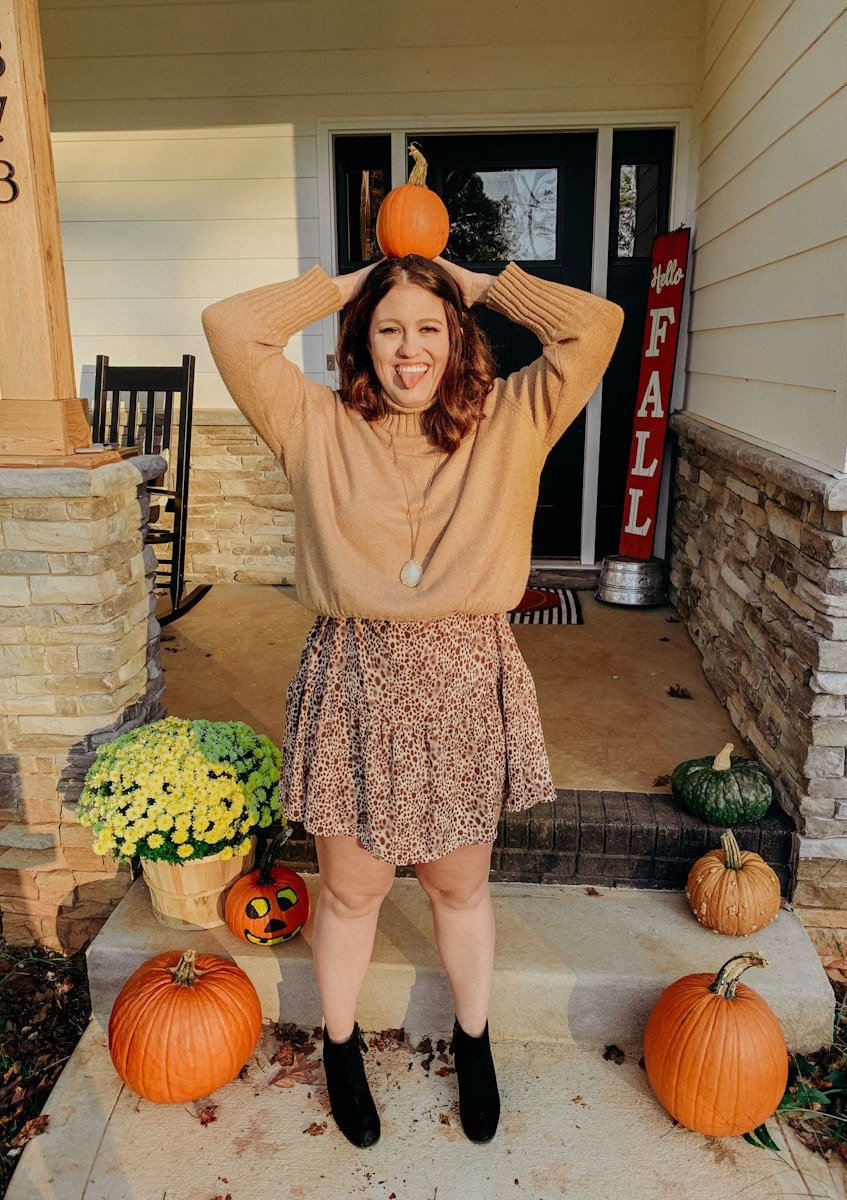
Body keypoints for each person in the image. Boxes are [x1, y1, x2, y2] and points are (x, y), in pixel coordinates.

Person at [202, 252, 623, 1149]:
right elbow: (231, 327)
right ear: (362, 340)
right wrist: (353, 282)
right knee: (352, 893)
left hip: (466, 678)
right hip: (355, 677)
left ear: (458, 337)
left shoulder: (515, 415)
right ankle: (344, 1047)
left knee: (457, 887)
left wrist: (473, 282)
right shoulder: (311, 421)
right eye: (389, 329)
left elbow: (597, 326)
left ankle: (475, 1042)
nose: (409, 350)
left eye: (429, 329)